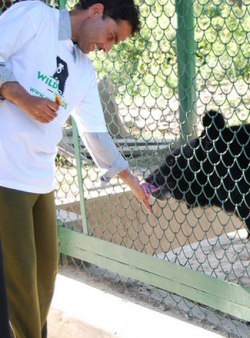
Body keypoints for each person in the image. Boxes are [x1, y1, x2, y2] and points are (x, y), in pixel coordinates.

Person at [0, 1, 153, 337]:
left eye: (115, 44)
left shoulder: (83, 70)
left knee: (43, 283)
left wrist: (130, 179)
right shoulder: (35, 17)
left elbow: (95, 134)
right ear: (96, 10)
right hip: (5, 173)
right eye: (111, 36)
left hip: (41, 181)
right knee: (21, 289)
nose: (108, 48)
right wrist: (20, 96)